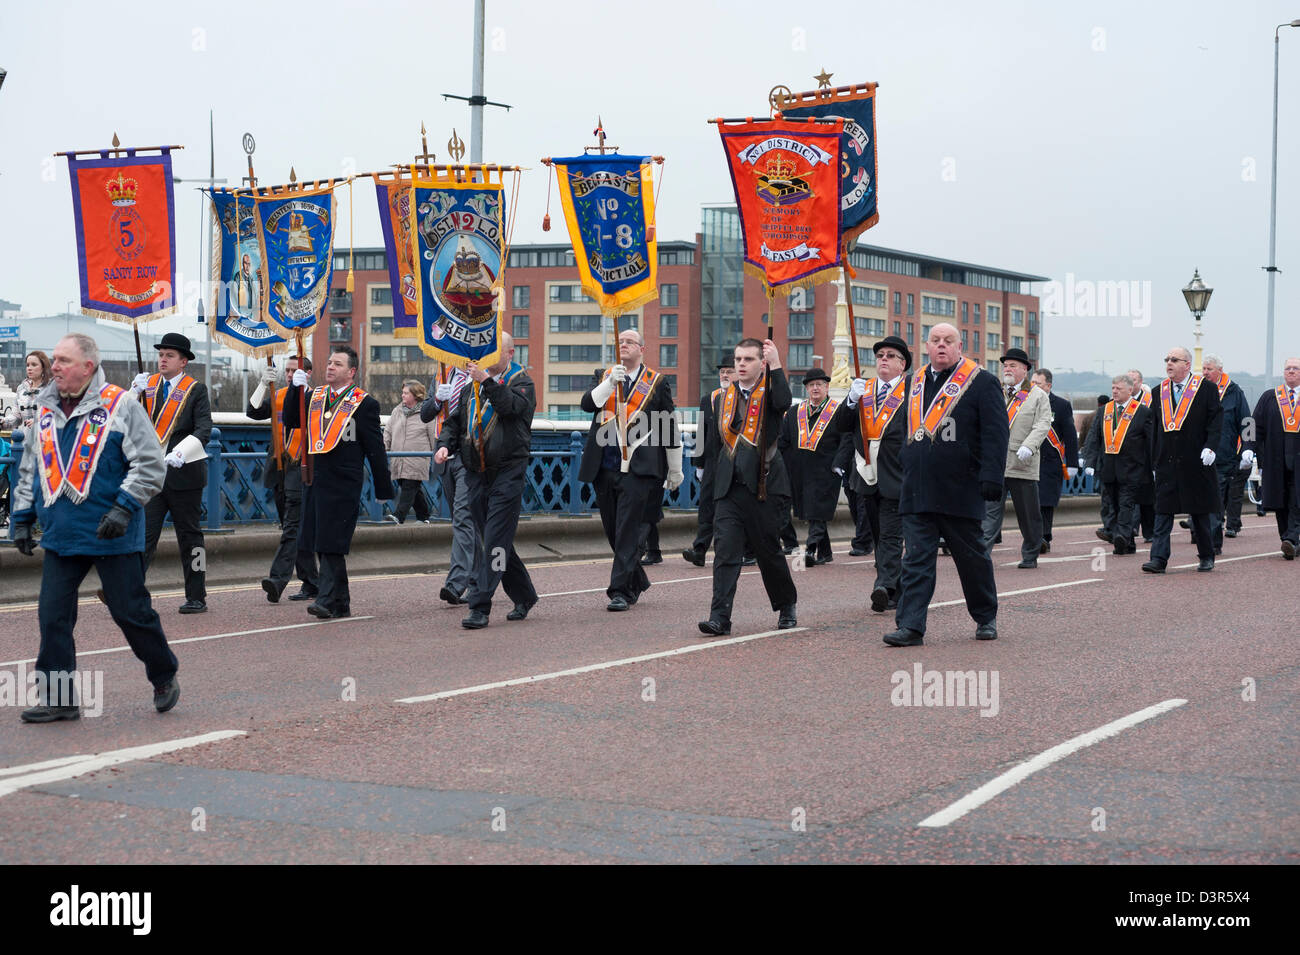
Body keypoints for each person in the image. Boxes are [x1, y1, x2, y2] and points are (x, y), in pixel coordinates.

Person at [8, 334, 180, 721]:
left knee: (130, 613)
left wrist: (124, 508)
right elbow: (30, 470)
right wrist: (21, 519)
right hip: (62, 533)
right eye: (54, 359)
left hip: (112, 531)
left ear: (87, 367)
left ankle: (163, 673)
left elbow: (152, 465)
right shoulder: (45, 409)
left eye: (64, 360)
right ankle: (59, 698)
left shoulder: (122, 405)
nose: (55, 367)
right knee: (52, 616)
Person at [884, 323, 1008, 647]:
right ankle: (910, 626)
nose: (941, 345)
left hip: (961, 488)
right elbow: (901, 428)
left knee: (972, 559)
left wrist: (992, 477)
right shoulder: (913, 383)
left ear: (960, 345)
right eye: (935, 340)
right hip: (918, 488)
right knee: (915, 561)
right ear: (926, 346)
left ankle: (985, 616)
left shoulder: (982, 382)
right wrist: (905, 459)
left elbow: (996, 435)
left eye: (948, 341)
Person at [434, 332, 539, 629]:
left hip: (508, 472)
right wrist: (445, 444)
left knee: (493, 542)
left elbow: (509, 408)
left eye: (495, 352)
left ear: (509, 353)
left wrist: (486, 382)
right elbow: (454, 423)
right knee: (496, 541)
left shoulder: (521, 382)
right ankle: (525, 594)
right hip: (475, 471)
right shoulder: (473, 388)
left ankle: (480, 604)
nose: (488, 358)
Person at [283, 345, 394, 618]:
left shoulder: (364, 403)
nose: (330, 367)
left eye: (338, 364)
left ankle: (326, 598)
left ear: (351, 372)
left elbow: (375, 448)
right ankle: (341, 602)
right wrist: (294, 391)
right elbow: (291, 420)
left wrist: (383, 486)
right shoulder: (315, 396)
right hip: (316, 480)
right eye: (329, 362)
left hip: (344, 482)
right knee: (320, 540)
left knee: (331, 541)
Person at [699, 337, 797, 636]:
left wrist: (777, 364)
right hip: (729, 489)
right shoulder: (722, 397)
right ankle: (720, 617)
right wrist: (711, 489)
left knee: (769, 553)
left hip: (764, 486)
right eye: (738, 360)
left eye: (748, 360)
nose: (740, 365)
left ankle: (786, 605)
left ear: (761, 363)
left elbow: (784, 402)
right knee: (726, 553)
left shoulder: (769, 392)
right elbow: (716, 446)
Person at [579, 328, 681, 611]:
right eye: (620, 341)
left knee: (627, 530)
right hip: (605, 465)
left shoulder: (657, 382)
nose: (623, 345)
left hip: (640, 467)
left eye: (629, 342)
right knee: (613, 530)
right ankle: (637, 581)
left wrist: (675, 468)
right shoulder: (604, 375)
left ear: (641, 349)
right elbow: (588, 405)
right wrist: (610, 383)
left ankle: (620, 590)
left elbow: (667, 425)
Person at [131, 333, 211, 614]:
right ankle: (130, 591)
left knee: (190, 539)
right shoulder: (147, 386)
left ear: (183, 361)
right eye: (161, 354)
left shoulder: (196, 390)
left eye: (169, 355)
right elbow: (126, 424)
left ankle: (197, 595)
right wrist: (132, 395)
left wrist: (183, 451)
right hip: (153, 476)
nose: (162, 359)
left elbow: (204, 429)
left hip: (184, 475)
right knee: (143, 536)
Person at [837, 336, 911, 612]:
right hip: (866, 474)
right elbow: (842, 426)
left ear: (902, 365)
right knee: (879, 535)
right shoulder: (863, 390)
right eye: (880, 354)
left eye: (891, 355)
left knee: (891, 535)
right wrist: (851, 401)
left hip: (897, 474)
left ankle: (883, 586)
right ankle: (896, 589)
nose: (883, 359)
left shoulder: (911, 391)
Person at [1142, 347, 1223, 574]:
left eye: (1174, 360)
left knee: (1199, 513)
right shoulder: (1159, 391)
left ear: (1187, 364)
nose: (1168, 363)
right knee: (1162, 512)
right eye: (1166, 359)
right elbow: (1154, 427)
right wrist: (1154, 460)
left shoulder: (1206, 389)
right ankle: (1158, 559)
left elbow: (1216, 421)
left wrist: (1211, 448)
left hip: (1196, 460)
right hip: (1167, 462)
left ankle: (1206, 555)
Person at [247, 355, 319, 603]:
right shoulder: (278, 396)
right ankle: (312, 582)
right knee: (294, 529)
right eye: (286, 371)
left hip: (302, 468)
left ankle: (277, 580)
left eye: (294, 371)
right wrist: (260, 384)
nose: (289, 375)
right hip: (279, 468)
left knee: (291, 527)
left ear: (307, 373)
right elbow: (253, 412)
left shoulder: (317, 399)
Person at [981, 347, 1051, 568]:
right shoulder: (995, 392)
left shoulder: (1038, 396)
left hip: (1023, 463)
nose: (1007, 369)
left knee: (1028, 515)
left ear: (1024, 369)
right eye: (1005, 365)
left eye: (1012, 365)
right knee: (989, 514)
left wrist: (1029, 446)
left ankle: (1030, 553)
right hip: (996, 464)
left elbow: (1043, 424)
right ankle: (981, 555)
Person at [421, 363, 478, 604]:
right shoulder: (442, 374)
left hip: (469, 453)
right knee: (463, 521)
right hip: (444, 452)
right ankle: (478, 580)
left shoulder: (478, 374)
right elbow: (425, 414)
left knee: (464, 518)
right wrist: (436, 399)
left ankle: (456, 584)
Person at [778, 368, 841, 567]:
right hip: (800, 471)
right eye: (811, 385)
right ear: (806, 388)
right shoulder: (795, 412)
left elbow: (846, 440)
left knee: (817, 510)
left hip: (826, 470)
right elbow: (783, 441)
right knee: (812, 511)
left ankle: (811, 549)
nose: (815, 388)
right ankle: (825, 552)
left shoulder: (838, 412)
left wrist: (839, 464)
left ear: (827, 387)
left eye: (819, 385)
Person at [1242, 357, 1300, 559]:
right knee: (1280, 500)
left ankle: (1292, 538)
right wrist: (1247, 447)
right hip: (1275, 459)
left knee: (1296, 499)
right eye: (1288, 368)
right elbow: (1252, 423)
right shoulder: (1270, 397)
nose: (1291, 371)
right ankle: (1288, 538)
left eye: (1295, 368)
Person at [1092, 374, 1152, 554]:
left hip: (1133, 469)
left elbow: (1150, 442)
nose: (1115, 391)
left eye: (1118, 388)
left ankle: (1122, 536)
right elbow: (1095, 439)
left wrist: (1153, 467)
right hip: (1109, 469)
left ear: (1129, 390)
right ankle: (1129, 543)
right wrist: (1090, 462)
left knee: (1126, 504)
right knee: (1116, 506)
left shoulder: (1142, 412)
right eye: (1113, 388)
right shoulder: (1105, 411)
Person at [683, 360, 735, 566]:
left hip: (736, 461)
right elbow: (702, 431)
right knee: (706, 506)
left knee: (735, 506)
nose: (724, 375)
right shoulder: (709, 399)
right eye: (722, 372)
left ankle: (747, 550)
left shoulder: (746, 399)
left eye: (729, 372)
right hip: (713, 462)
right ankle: (700, 550)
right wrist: (699, 464)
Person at [1200, 355, 1251, 552]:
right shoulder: (1197, 391)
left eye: (1209, 369)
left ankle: (1213, 543)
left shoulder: (1234, 392)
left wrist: (1248, 448)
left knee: (1216, 500)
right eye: (1203, 369)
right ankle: (1203, 536)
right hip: (1199, 456)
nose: (1205, 373)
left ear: (1219, 371)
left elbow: (1248, 422)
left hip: (1224, 457)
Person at [1030, 368, 1079, 553]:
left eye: (1038, 384)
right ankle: (1034, 536)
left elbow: (1070, 436)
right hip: (1029, 459)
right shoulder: (1024, 402)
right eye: (1032, 383)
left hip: (1051, 461)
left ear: (1048, 386)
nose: (1033, 387)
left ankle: (1044, 536)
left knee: (1045, 501)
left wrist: (1073, 462)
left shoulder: (1060, 405)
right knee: (1030, 501)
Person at [385, 379, 439, 524]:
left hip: (417, 458)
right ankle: (424, 516)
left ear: (415, 395)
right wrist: (385, 448)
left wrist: (437, 454)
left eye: (406, 393)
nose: (402, 395)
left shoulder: (426, 413)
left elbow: (433, 435)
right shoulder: (397, 410)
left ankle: (398, 516)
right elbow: (388, 431)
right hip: (398, 457)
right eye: (402, 392)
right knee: (411, 487)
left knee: (410, 486)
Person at [2, 349, 52, 430]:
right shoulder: (21, 389)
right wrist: (4, 421)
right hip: (25, 439)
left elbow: (56, 417)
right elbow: (16, 417)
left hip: (45, 438)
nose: (29, 368)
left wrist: (38, 422)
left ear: (43, 367)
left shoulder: (52, 389)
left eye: (34, 365)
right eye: (28, 365)